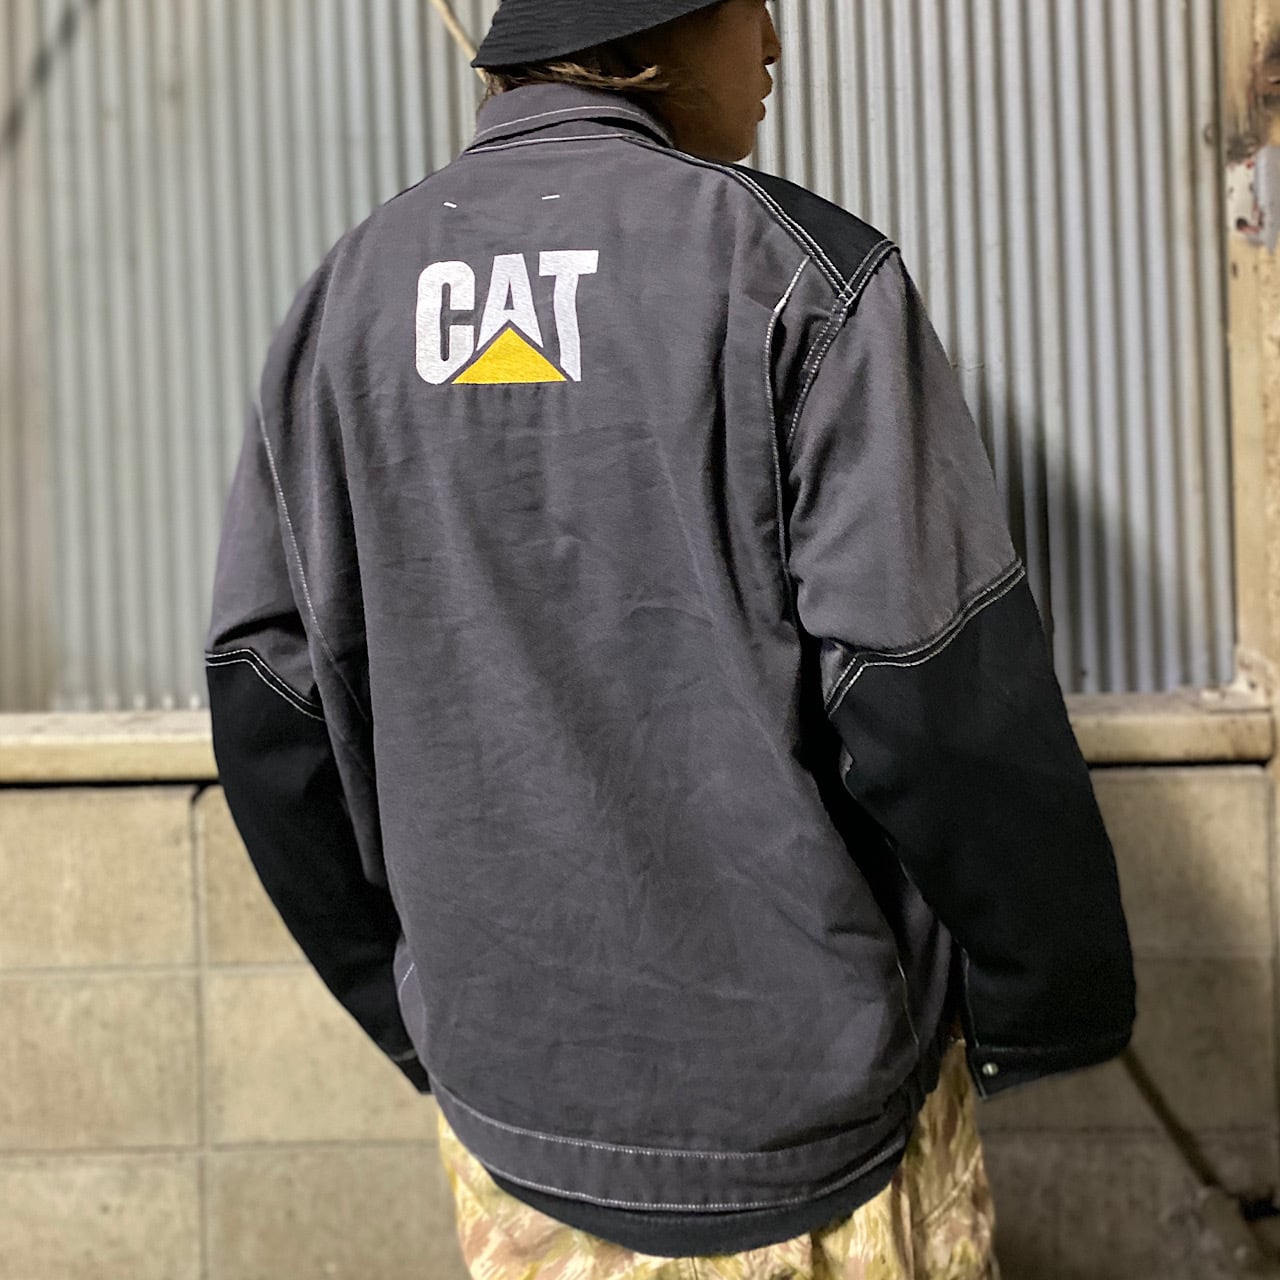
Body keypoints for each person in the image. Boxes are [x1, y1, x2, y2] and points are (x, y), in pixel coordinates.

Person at [205, 1, 1136, 1275]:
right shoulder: (799, 278)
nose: (774, 45)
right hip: (807, 1136)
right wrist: (1043, 996)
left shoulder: (344, 295)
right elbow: (933, 701)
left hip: (516, 1134)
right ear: (656, 25)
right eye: (753, 4)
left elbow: (270, 709)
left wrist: (420, 1006)